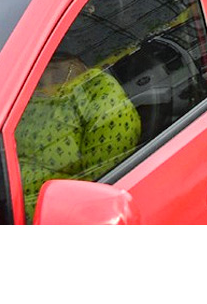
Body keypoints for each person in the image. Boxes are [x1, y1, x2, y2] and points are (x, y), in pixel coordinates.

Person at [13, 49, 141, 222]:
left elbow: (100, 187)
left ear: (78, 64)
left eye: (58, 77)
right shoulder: (23, 98)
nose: (48, 88)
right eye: (41, 82)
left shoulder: (101, 99)